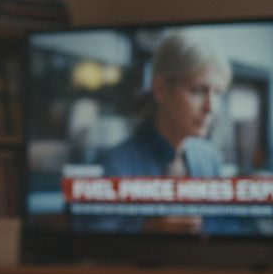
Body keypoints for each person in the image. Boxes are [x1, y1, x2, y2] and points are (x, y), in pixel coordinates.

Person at [99, 30, 231, 179]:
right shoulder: (118, 165)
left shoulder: (210, 160)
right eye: (198, 90)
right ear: (160, 88)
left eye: (217, 93)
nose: (211, 108)